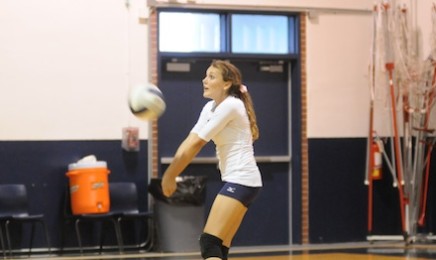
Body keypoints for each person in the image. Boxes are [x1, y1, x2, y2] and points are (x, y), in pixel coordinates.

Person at [161, 60, 263, 260]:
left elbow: (197, 144)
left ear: (226, 84)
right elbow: (190, 140)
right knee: (219, 248)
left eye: (211, 77)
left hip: (242, 180)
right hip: (243, 181)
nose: (204, 80)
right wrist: (171, 173)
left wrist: (170, 175)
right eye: (206, 76)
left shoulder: (232, 105)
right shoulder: (210, 107)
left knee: (209, 242)